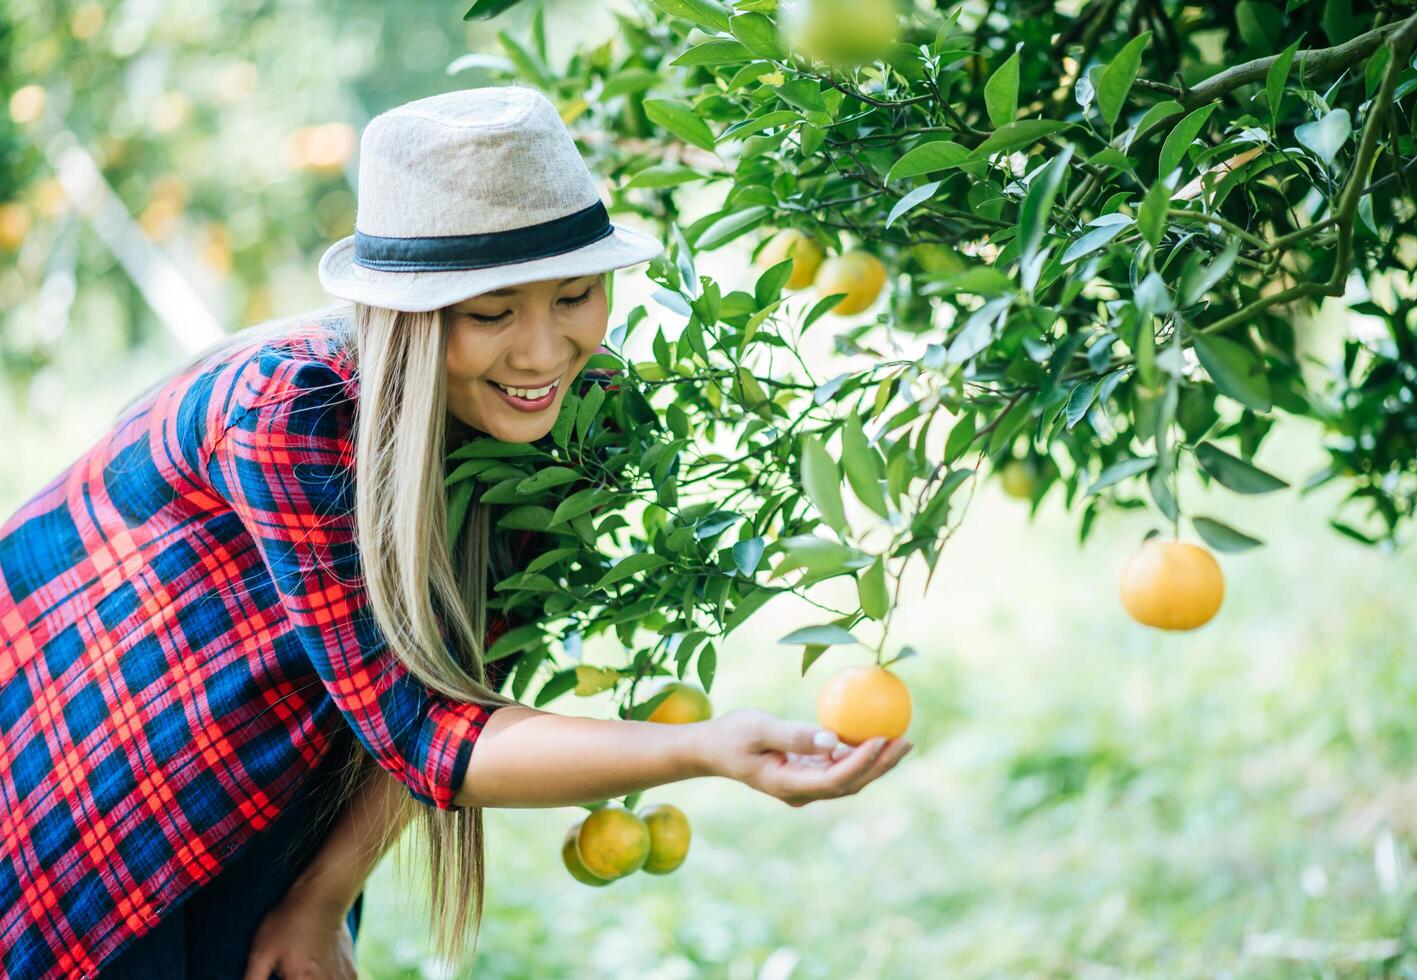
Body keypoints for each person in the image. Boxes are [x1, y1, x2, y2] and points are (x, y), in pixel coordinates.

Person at [0, 84, 912, 980]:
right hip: (97, 767)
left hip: (295, 767)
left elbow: (456, 680)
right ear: (405, 316)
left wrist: (321, 900)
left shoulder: (585, 422)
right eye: (489, 313)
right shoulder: (295, 412)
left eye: (574, 295)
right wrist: (699, 748)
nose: (542, 351)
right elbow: (431, 733)